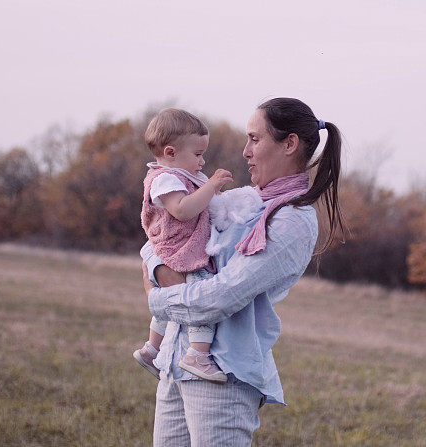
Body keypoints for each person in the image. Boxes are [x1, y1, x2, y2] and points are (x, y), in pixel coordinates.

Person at [141, 97, 343, 446]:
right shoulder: (243, 200)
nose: (245, 151)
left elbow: (220, 297)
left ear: (289, 144)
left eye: (255, 138)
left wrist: (155, 294)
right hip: (175, 359)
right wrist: (157, 269)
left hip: (222, 372)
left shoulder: (292, 218)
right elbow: (160, 242)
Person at [133, 108, 234, 383]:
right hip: (176, 248)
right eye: (198, 154)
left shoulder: (181, 175)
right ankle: (197, 355)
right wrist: (211, 186)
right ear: (170, 153)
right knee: (198, 295)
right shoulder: (164, 178)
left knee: (170, 302)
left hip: (177, 247)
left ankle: (152, 349)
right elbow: (182, 210)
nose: (202, 161)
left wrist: (211, 190)